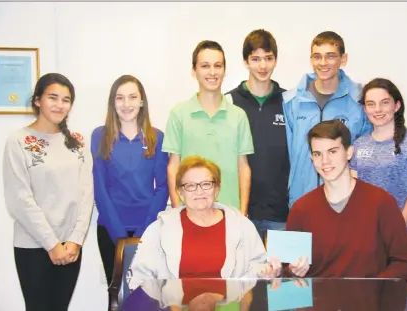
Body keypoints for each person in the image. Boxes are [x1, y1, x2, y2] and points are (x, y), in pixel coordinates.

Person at [2, 73, 94, 311]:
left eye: (66, 99)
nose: (59, 105)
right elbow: (19, 200)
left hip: (71, 246)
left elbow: (87, 194)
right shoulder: (19, 141)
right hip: (33, 245)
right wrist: (52, 244)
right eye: (53, 97)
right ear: (37, 100)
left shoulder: (78, 142)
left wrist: (75, 239)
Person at [285, 120, 407, 281]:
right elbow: (287, 270)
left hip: (368, 303)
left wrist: (374, 290)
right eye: (317, 154)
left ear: (349, 152)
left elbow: (404, 263)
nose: (324, 161)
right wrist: (292, 271)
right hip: (319, 303)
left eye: (332, 151)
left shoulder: (381, 202)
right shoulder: (301, 209)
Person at [126, 156, 281, 290]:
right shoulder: (159, 229)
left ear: (217, 188)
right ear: (180, 192)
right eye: (190, 186)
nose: (199, 192)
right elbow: (139, 278)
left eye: (206, 184)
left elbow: (257, 270)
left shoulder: (242, 226)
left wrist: (266, 272)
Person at [91, 75, 169, 305]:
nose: (127, 104)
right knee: (117, 296)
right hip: (111, 230)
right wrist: (120, 237)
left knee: (147, 296)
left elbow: (162, 187)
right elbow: (100, 188)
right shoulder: (100, 136)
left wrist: (143, 234)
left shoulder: (157, 137)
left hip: (148, 230)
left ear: (142, 101)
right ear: (112, 103)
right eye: (120, 98)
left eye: (133, 97)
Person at [350, 78, 407, 272]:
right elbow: (354, 193)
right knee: (370, 297)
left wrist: (394, 232)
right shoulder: (359, 144)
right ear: (365, 109)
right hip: (367, 235)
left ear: (396, 105)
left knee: (402, 296)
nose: (377, 109)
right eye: (371, 104)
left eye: (384, 102)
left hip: (405, 233)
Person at [162, 40, 254, 215]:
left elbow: (243, 167)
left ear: (224, 70)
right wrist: (177, 212)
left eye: (217, 66)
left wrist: (242, 213)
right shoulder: (178, 115)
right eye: (205, 66)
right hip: (190, 214)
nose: (212, 72)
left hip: (230, 214)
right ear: (194, 70)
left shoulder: (239, 116)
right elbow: (173, 165)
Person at [282, 30, 372, 207]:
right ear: (311, 60)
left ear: (343, 59)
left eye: (330, 56)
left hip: (347, 202)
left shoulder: (360, 100)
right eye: (317, 57)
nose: (323, 63)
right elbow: (287, 156)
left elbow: (367, 153)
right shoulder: (292, 102)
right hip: (302, 200)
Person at [225, 29, 289, 240]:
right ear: (245, 61)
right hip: (239, 212)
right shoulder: (229, 102)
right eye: (256, 59)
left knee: (279, 273)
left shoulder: (289, 102)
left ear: (276, 61)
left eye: (268, 58)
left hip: (280, 214)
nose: (262, 66)